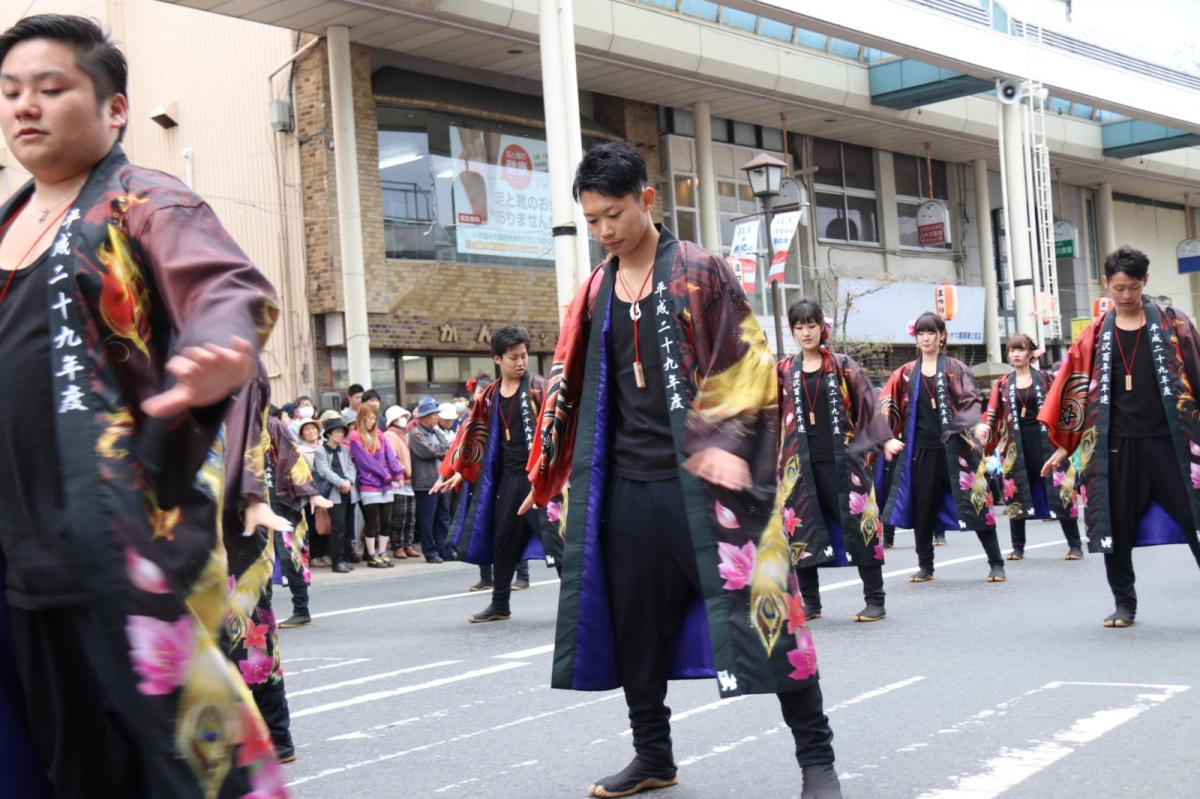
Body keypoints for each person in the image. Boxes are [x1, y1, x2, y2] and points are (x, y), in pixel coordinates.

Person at [0, 14, 284, 796]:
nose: (26, 105)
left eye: (51, 88)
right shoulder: (10, 224)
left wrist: (216, 349)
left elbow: (226, 286)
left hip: (112, 555)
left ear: (114, 109)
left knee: (142, 774)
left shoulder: (144, 199)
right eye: (11, 90)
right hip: (15, 558)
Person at [522, 142, 839, 798]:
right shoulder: (594, 290)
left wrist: (729, 451)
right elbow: (570, 386)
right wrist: (549, 476)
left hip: (710, 484)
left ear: (647, 198)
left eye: (614, 213)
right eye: (592, 220)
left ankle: (817, 759)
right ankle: (653, 755)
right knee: (635, 625)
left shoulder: (700, 271)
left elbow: (751, 368)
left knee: (766, 608)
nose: (605, 229)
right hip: (627, 490)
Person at [1039, 246, 1200, 628]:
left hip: (1170, 443)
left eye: (1132, 287)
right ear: (1106, 284)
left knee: (1196, 518)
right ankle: (1124, 604)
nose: (1126, 295)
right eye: (1118, 288)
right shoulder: (1095, 334)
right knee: (1116, 525)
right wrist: (1065, 444)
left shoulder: (1174, 324)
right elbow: (1074, 387)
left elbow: (1196, 370)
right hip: (1115, 446)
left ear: (1145, 281)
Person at [779, 300, 902, 623]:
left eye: (811, 325)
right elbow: (765, 415)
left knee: (860, 524)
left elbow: (867, 404)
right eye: (799, 327)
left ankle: (875, 599)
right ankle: (811, 602)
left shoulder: (843, 365)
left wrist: (885, 438)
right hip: (799, 465)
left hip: (844, 461)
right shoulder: (782, 370)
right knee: (801, 529)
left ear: (822, 327)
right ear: (792, 331)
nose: (806, 333)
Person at [435, 325, 562, 623]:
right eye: (513, 357)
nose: (520, 362)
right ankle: (500, 604)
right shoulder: (490, 396)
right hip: (507, 479)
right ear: (497, 359)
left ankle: (579, 606)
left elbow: (560, 428)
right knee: (503, 542)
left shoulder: (539, 387)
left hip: (539, 479)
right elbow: (473, 435)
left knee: (558, 543)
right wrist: (459, 472)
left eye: (524, 355)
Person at [879, 312, 1006, 583]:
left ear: (941, 336)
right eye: (921, 333)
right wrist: (887, 436)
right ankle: (926, 565)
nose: (926, 338)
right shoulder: (905, 373)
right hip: (921, 451)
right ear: (916, 338)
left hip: (956, 449)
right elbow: (885, 404)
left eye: (931, 333)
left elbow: (969, 401)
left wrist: (975, 425)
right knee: (922, 508)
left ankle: (996, 563)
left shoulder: (954, 368)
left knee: (977, 502)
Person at [976, 334, 1083, 560]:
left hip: (1048, 442)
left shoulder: (1046, 378)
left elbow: (1065, 405)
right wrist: (985, 427)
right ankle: (1017, 547)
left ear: (1030, 353)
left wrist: (1066, 437)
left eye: (1020, 349)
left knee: (1061, 489)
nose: (1015, 354)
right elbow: (992, 412)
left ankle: (1075, 545)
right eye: (1012, 350)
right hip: (1016, 445)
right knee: (1016, 492)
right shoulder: (1004, 383)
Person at [268, 408, 329, 627]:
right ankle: (259, 615)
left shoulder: (274, 426)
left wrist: (311, 492)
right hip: (252, 502)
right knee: (257, 561)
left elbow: (294, 458)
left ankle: (301, 609)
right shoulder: (237, 426)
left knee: (290, 555)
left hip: (282, 501)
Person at [349, 404, 401, 568]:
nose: (371, 421)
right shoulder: (355, 436)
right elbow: (365, 461)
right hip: (369, 483)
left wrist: (397, 472)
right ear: (361, 418)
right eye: (368, 418)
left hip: (385, 485)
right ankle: (371, 555)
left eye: (373, 418)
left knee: (386, 520)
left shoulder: (379, 434)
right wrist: (385, 474)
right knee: (371, 521)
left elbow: (389, 455)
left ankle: (382, 552)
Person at [411, 397, 455, 562]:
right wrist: (443, 451)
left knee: (443, 517)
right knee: (427, 520)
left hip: (441, 480)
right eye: (432, 415)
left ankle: (445, 550)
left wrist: (443, 451)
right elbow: (428, 452)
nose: (436, 417)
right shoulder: (416, 433)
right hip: (425, 483)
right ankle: (430, 552)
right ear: (423, 417)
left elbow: (448, 449)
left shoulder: (437, 432)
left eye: (436, 414)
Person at [314, 416, 359, 573]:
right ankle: (337, 561)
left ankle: (345, 558)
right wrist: (341, 483)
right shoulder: (320, 451)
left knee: (347, 527)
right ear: (329, 434)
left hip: (348, 491)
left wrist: (349, 482)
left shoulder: (345, 450)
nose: (341, 435)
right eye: (338, 432)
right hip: (334, 492)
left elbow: (351, 467)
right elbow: (324, 471)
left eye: (342, 432)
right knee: (338, 527)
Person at [384, 405, 421, 559]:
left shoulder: (406, 435)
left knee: (411, 515)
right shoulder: (388, 435)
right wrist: (401, 470)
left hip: (409, 481)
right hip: (396, 481)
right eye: (401, 417)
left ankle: (408, 544)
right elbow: (390, 458)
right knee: (399, 515)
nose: (404, 420)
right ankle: (397, 545)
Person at [296, 415, 329, 567]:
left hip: (328, 488)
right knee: (312, 523)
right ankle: (315, 554)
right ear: (302, 434)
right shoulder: (299, 450)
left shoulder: (325, 445)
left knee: (329, 521)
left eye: (313, 428)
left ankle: (327, 552)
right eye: (307, 429)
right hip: (310, 490)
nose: (311, 432)